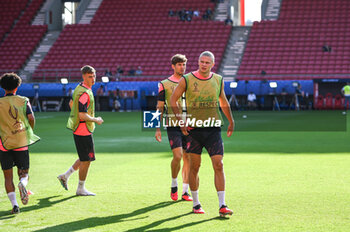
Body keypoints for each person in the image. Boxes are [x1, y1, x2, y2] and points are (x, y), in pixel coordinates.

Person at [170, 51, 234, 217]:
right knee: (194, 167)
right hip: (194, 130)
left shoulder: (218, 79)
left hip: (213, 129)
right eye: (201, 61)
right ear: (198, 62)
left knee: (219, 164)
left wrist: (231, 121)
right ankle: (196, 203)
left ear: (212, 64)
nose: (203, 64)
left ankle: (222, 205)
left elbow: (223, 101)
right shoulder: (187, 79)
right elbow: (173, 100)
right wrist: (181, 120)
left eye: (207, 62)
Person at [57, 65, 104, 196]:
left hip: (79, 128)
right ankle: (80, 188)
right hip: (83, 129)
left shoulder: (79, 88)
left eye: (94, 76)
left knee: (84, 157)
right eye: (90, 76)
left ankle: (65, 176)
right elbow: (82, 115)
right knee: (87, 160)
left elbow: (71, 104)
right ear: (84, 76)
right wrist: (96, 120)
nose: (93, 79)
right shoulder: (85, 93)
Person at [0, 73, 40, 214]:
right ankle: (23, 184)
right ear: (17, 86)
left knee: (8, 176)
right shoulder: (24, 100)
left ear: (3, 87)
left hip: (4, 144)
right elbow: (31, 117)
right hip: (21, 141)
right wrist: (29, 131)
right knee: (24, 173)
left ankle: (15, 205)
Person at [155, 54, 192, 202]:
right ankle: (174, 183)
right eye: (179, 65)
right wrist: (157, 128)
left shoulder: (191, 82)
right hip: (172, 124)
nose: (182, 67)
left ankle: (185, 191)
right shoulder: (164, 84)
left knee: (188, 158)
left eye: (184, 64)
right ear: (173, 66)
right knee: (178, 156)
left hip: (189, 124)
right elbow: (159, 107)